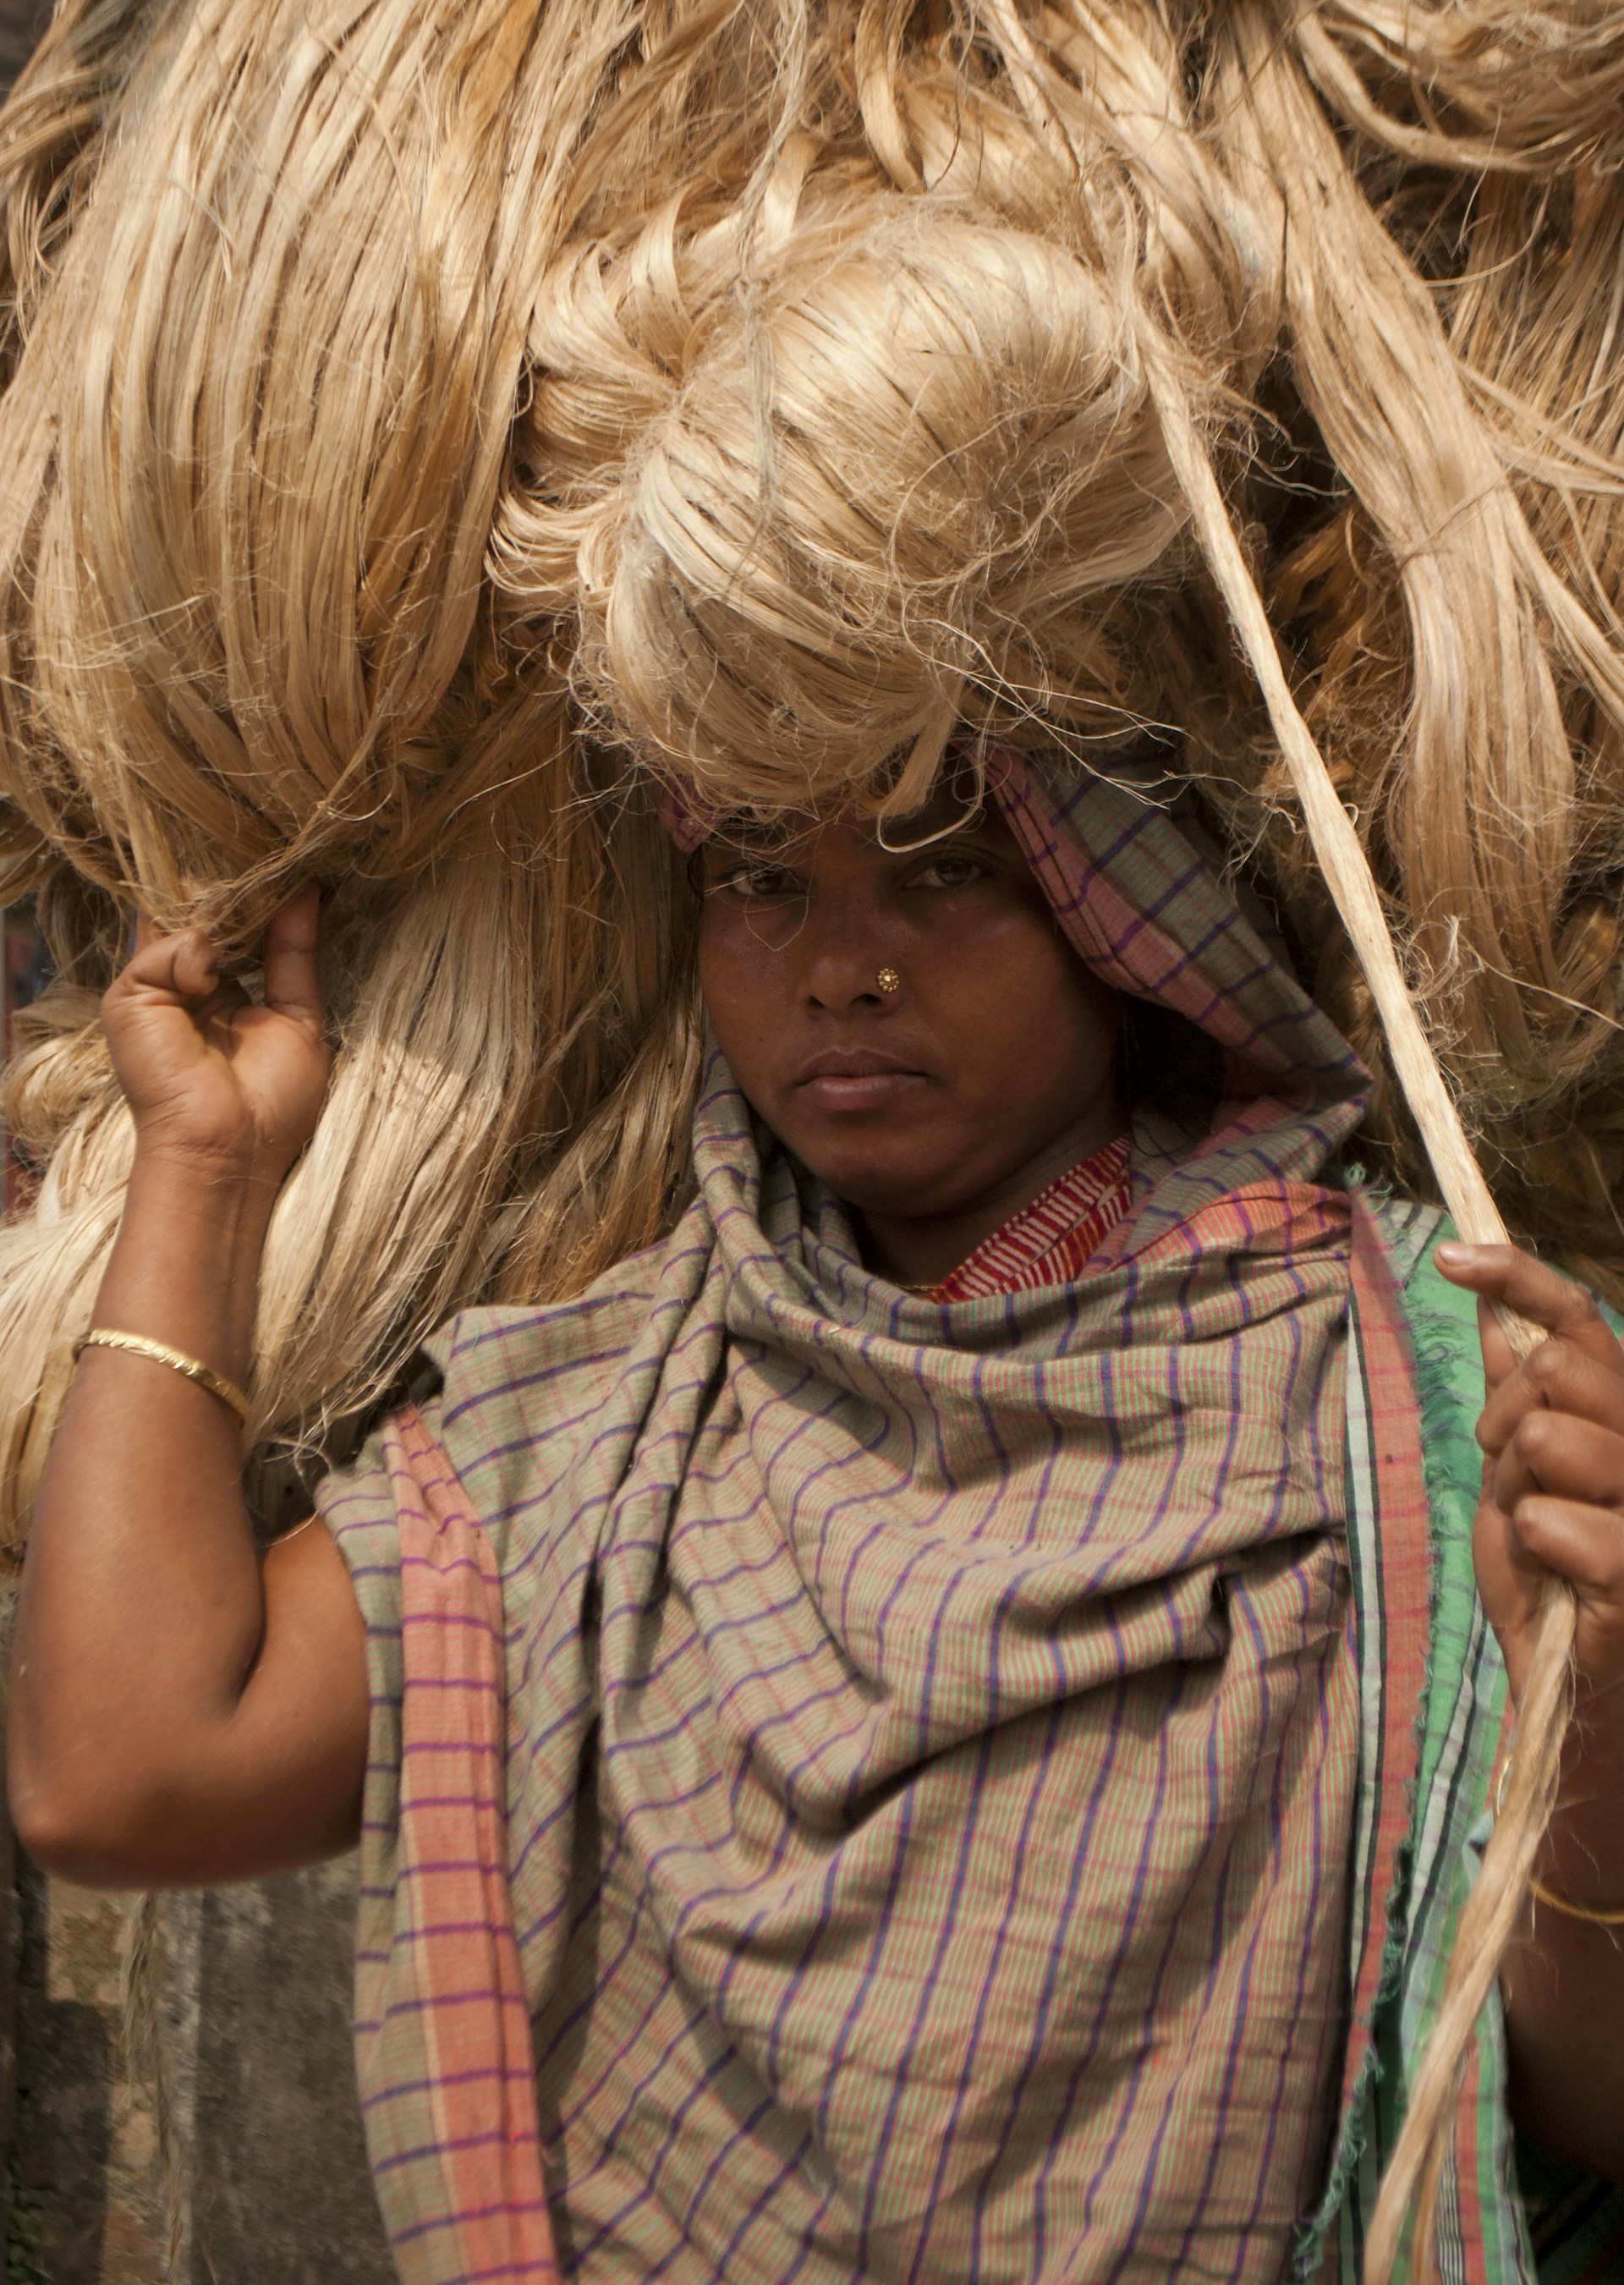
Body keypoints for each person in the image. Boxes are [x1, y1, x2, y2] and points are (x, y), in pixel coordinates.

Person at [10, 751, 1624, 2282]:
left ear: (1135, 928)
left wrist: (1602, 1695)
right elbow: (128, 1775)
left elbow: (1576, 2108)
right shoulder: (597, 1426)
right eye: (763, 878)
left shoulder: (1410, 1388)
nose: (844, 966)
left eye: (952, 870)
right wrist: (207, 1166)